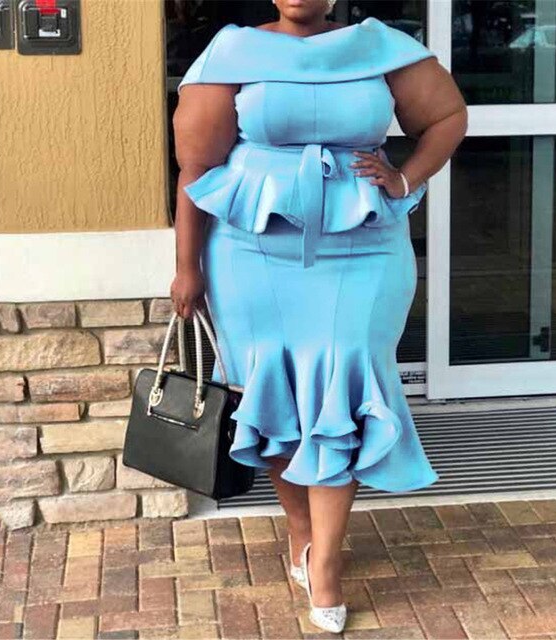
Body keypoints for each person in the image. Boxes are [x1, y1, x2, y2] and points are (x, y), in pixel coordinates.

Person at [171, 0, 467, 632]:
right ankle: (302, 532)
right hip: (252, 253)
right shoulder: (233, 52)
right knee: (274, 394)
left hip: (363, 248)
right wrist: (186, 267)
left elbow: (446, 117)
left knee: (344, 390)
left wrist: (405, 178)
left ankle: (327, 561)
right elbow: (197, 168)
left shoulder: (379, 47)